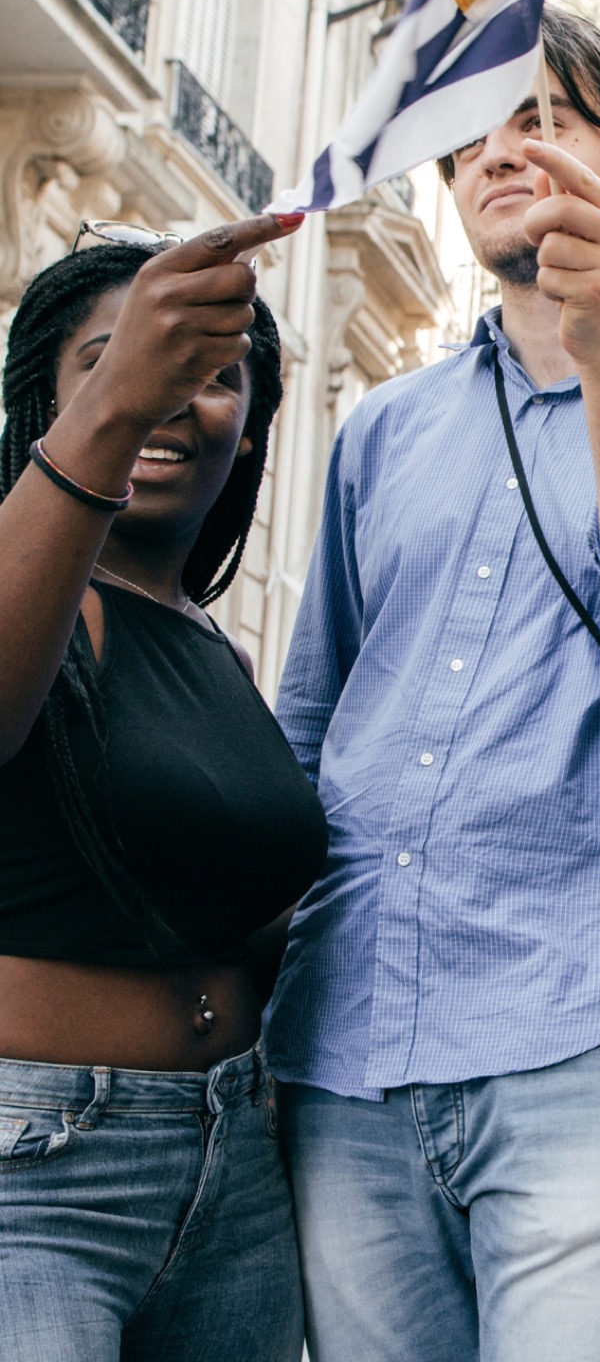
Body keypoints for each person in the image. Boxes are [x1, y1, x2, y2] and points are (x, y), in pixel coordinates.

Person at [267, 10, 600, 1362]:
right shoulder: (383, 427)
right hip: (349, 1037)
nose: (496, 151)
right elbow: (313, 720)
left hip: (596, 1032)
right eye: (470, 136)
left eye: (539, 118)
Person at [0, 218, 325, 1358]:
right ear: (44, 403)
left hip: (233, 1165)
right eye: (122, 358)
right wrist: (113, 406)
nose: (174, 396)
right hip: (35, 1176)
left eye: (214, 374)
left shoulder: (217, 654)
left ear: (250, 435)